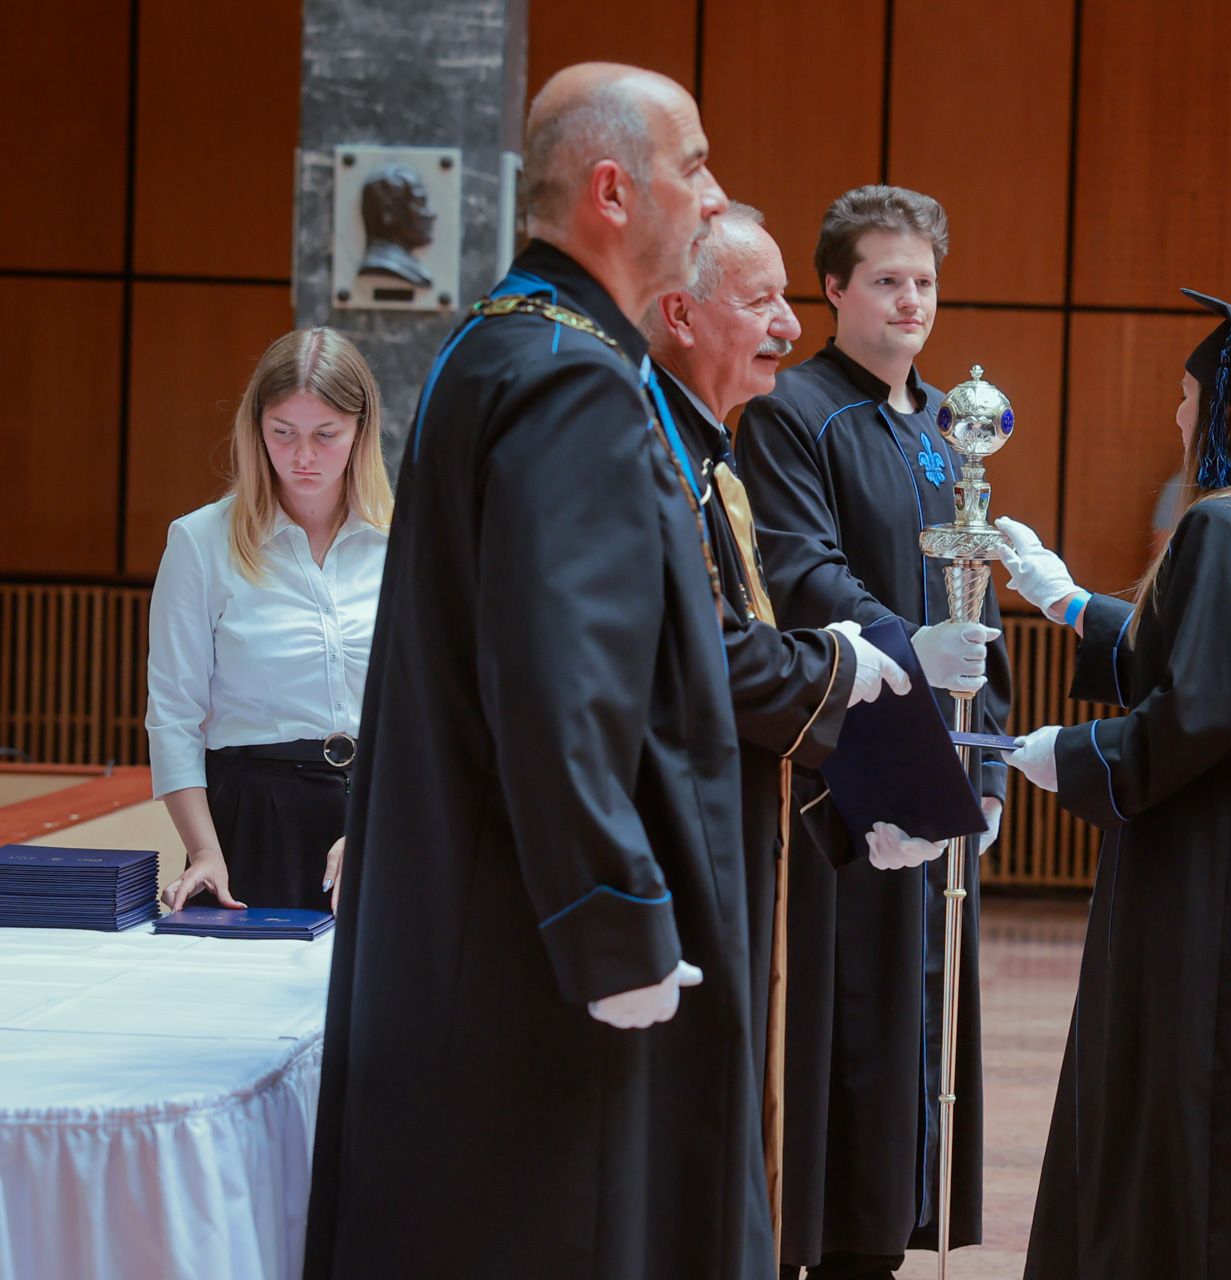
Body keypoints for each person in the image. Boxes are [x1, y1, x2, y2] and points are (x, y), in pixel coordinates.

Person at [304, 65, 767, 1278]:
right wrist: (614, 919)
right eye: (695, 165)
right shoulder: (573, 379)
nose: (716, 197)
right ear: (613, 191)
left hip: (488, 924)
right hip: (543, 961)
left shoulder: (500, 342)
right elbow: (563, 681)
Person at [994, 288, 1231, 1279]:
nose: (1176, 413)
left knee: (1196, 1111)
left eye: (1185, 395)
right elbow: (1213, 659)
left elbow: (1199, 711)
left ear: (1222, 414)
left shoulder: (1222, 528)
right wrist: (1071, 603)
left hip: (1220, 885)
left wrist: (1073, 754)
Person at [734, 184, 1012, 1280]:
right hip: (846, 760)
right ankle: (834, 1241)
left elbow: (979, 588)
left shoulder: (952, 424)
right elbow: (802, 571)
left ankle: (891, 1238)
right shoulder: (793, 413)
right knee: (853, 1018)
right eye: (887, 279)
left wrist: (988, 760)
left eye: (925, 281)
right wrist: (907, 650)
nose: (910, 301)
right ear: (834, 288)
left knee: (923, 1020)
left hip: (944, 760)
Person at [640, 201, 913, 1223]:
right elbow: (708, 655)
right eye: (761, 302)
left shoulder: (708, 447)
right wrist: (844, 663)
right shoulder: (651, 447)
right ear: (680, 314)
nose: (790, 327)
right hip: (665, 840)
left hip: (733, 819)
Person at [145, 327, 390, 916]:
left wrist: (385, 824)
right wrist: (204, 851)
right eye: (283, 433)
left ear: (360, 432)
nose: (303, 456)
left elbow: (435, 711)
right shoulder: (201, 542)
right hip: (252, 817)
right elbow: (173, 715)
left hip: (384, 811)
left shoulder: (406, 541)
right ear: (256, 429)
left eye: (325, 435)